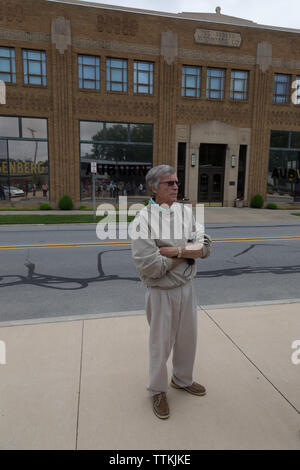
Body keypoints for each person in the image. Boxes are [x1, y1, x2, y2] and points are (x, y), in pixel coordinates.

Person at [130, 165, 211, 420]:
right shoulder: (142, 221)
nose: (176, 187)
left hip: (187, 288)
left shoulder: (185, 213)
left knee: (188, 339)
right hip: (160, 292)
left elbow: (206, 246)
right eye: (170, 183)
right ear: (154, 188)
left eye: (177, 182)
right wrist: (187, 251)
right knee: (160, 345)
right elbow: (152, 266)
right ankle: (157, 390)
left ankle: (182, 379)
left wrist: (173, 250)